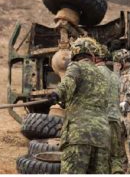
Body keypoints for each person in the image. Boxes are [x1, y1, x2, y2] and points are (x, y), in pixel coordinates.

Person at [48, 37, 111, 174]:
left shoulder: (76, 66)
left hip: (79, 134)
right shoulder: (102, 76)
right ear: (92, 55)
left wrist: (56, 94)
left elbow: (68, 82)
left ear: (74, 54)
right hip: (102, 135)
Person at [95, 45, 124, 174]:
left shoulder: (92, 74)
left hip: (100, 121)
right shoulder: (114, 76)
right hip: (115, 120)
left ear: (94, 58)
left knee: (101, 159)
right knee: (116, 157)